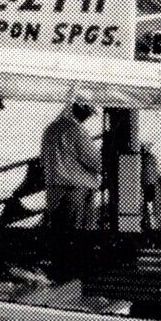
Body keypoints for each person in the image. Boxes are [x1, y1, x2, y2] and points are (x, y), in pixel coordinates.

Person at [40, 97, 102, 231]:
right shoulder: (77, 130)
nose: (88, 117)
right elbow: (97, 163)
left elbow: (43, 159)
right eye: (89, 113)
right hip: (76, 189)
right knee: (79, 235)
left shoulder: (50, 129)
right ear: (82, 111)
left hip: (53, 189)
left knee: (59, 233)